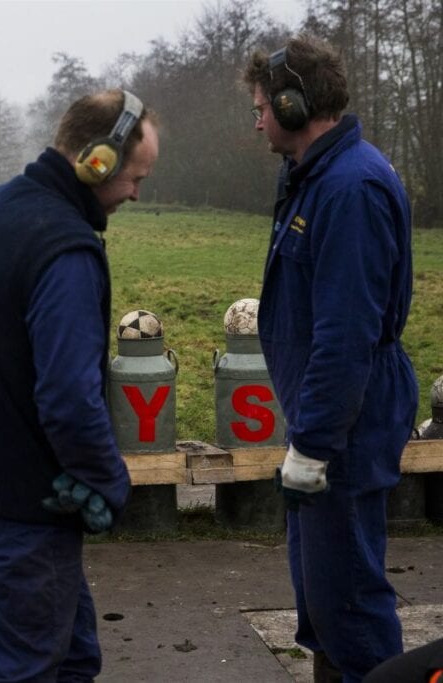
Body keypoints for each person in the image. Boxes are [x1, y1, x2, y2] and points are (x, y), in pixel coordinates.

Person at [0, 89, 158, 681]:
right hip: (21, 502)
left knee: (73, 656)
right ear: (96, 161)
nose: (137, 191)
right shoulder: (66, 251)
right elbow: (69, 401)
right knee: (21, 667)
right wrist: (110, 483)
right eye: (134, 176)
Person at [244, 35, 417, 683]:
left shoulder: (350, 188)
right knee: (323, 599)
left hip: (345, 424)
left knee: (350, 606)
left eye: (262, 105)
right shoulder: (316, 177)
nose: (258, 118)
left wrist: (313, 445)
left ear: (294, 104)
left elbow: (345, 336)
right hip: (327, 421)